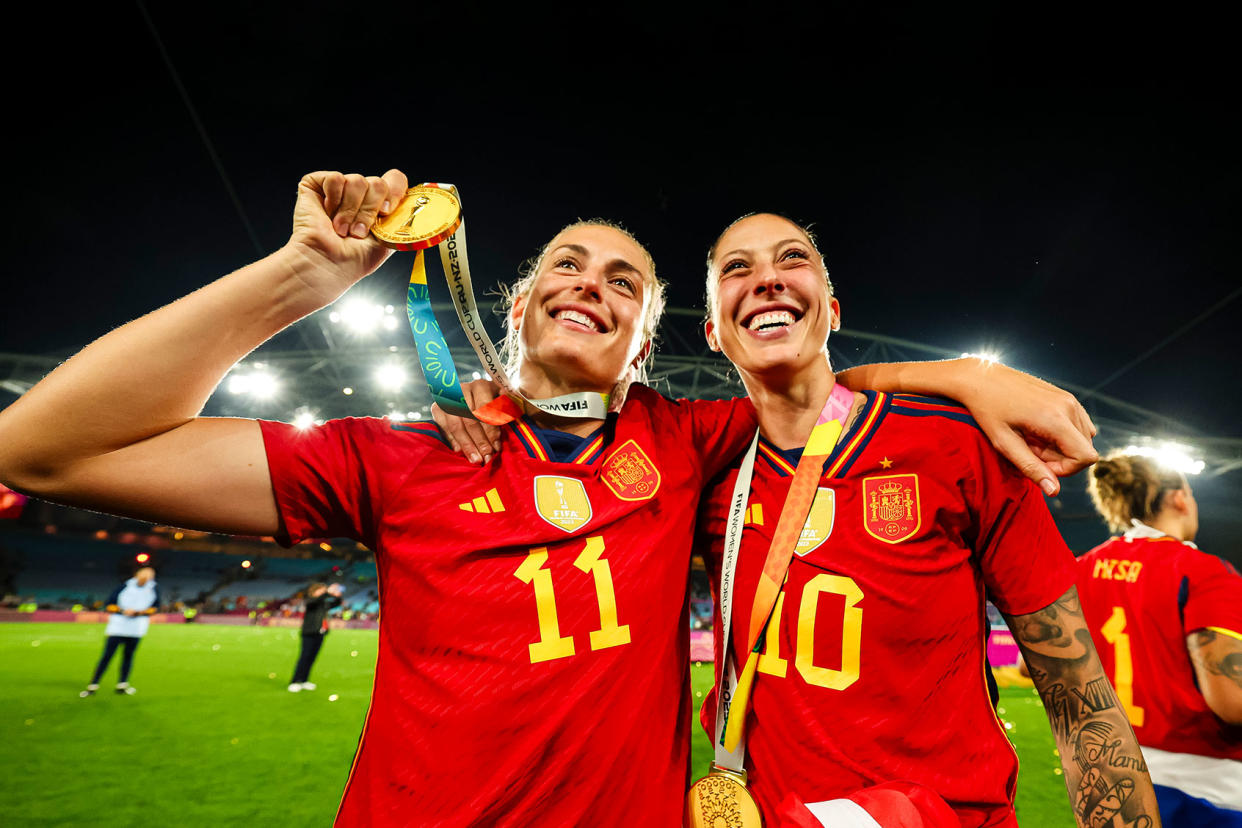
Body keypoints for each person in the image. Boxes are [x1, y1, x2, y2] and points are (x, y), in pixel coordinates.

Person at [0, 169, 1095, 826]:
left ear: (649, 341)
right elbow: (43, 447)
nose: (594, 285)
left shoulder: (690, 440)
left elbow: (809, 380)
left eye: (626, 282)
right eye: (569, 267)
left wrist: (967, 375)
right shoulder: (396, 453)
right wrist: (301, 276)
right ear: (518, 305)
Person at [692, 213, 1159, 827]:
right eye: (737, 267)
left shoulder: (956, 445)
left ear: (832, 311)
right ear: (713, 333)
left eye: (792, 258)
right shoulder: (705, 468)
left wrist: (968, 375)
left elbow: (1080, 700)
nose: (768, 280)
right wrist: (962, 372)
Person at [1078, 452, 1242, 826]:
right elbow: (1233, 703)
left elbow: (1032, 665)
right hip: (1204, 788)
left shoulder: (1080, 569)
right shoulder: (1204, 573)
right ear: (1180, 497)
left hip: (1105, 780)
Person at [80, 566, 159, 696]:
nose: (147, 577)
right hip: (118, 626)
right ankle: (93, 684)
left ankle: (122, 684)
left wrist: (140, 612)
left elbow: (155, 608)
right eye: (145, 574)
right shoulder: (124, 586)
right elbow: (109, 604)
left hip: (137, 628)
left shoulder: (154, 589)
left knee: (128, 656)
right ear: (137, 574)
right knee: (107, 656)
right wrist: (123, 611)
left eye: (150, 575)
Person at [289, 582, 343, 692]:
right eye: (321, 590)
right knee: (304, 657)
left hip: (320, 633)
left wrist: (337, 595)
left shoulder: (323, 604)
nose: (323, 592)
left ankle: (304, 680)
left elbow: (337, 603)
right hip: (309, 633)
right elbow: (316, 600)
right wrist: (327, 592)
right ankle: (295, 681)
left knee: (312, 658)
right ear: (314, 591)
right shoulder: (310, 601)